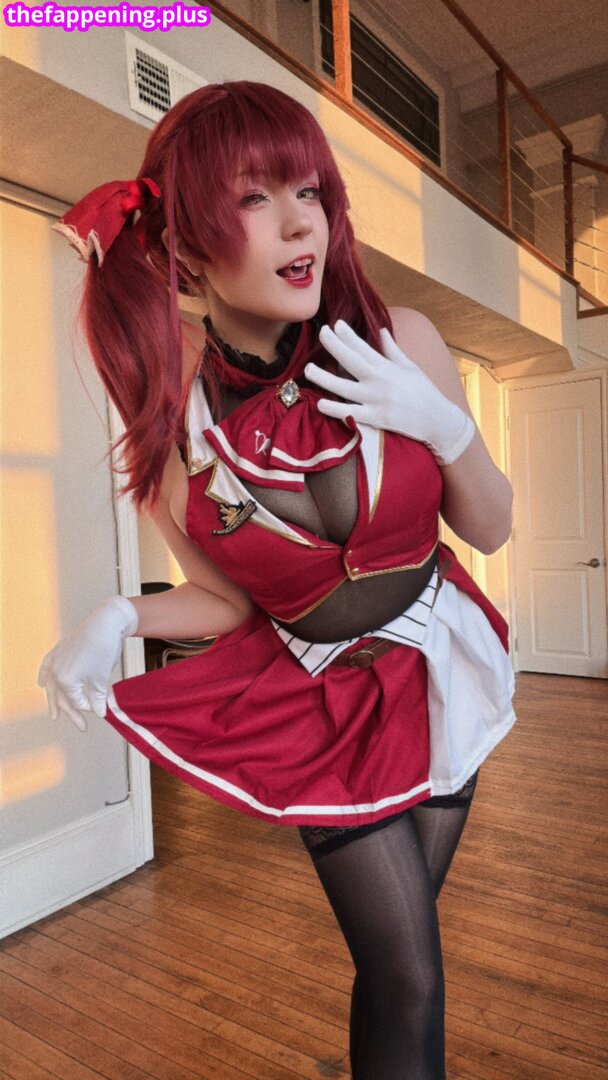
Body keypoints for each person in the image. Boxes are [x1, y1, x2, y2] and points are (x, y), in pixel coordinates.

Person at [39, 81, 515, 1079]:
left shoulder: (401, 342)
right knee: (407, 971)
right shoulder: (178, 427)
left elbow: (490, 526)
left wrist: (445, 427)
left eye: (308, 190)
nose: (302, 222)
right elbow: (226, 601)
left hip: (435, 673)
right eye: (255, 198)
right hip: (319, 710)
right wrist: (116, 616)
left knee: (400, 965)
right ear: (185, 252)